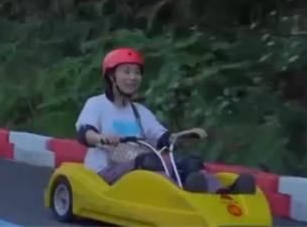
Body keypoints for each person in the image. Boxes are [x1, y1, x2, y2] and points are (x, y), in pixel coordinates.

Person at [75, 47, 255, 194]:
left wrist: (185, 134)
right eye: (126, 72)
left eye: (137, 73)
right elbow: (85, 132)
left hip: (138, 170)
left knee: (188, 162)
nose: (132, 78)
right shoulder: (97, 104)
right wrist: (101, 138)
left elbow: (162, 138)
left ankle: (221, 192)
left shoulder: (139, 111)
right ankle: (182, 194)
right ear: (111, 76)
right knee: (148, 161)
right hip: (106, 173)